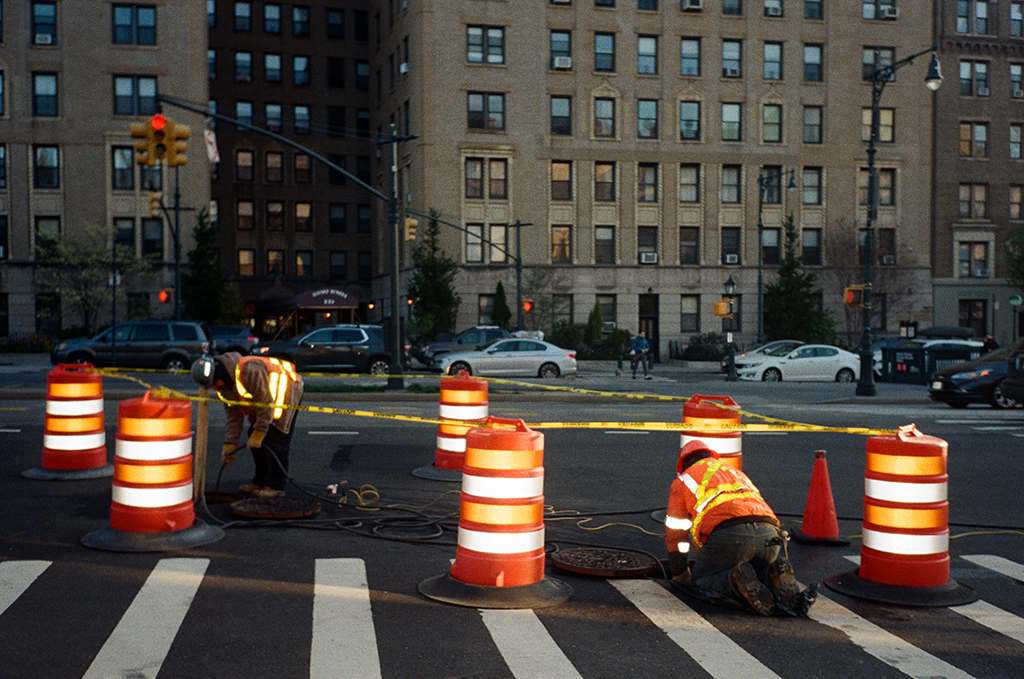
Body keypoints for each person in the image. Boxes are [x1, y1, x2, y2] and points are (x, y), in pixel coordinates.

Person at [664, 441, 812, 616]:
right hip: (770, 536)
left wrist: (680, 573)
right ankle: (774, 576)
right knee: (756, 579)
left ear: (683, 464)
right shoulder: (734, 472)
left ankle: (733, 580)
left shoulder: (683, 480)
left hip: (730, 537)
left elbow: (676, 532)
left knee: (700, 583)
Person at [191, 352, 304, 499]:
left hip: (287, 392)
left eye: (213, 383)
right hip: (266, 401)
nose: (214, 387)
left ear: (220, 375)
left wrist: (260, 432)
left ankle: (276, 486)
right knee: (253, 434)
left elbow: (265, 403)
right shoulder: (224, 389)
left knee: (275, 439)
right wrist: (230, 444)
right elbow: (233, 417)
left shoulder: (250, 370)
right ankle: (261, 481)